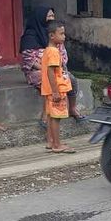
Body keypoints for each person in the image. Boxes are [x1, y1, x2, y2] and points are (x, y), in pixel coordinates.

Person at [41, 20, 74, 153]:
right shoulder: (54, 52)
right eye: (61, 34)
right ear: (51, 36)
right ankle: (57, 145)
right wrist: (55, 91)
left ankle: (51, 141)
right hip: (56, 88)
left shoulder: (48, 50)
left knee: (50, 116)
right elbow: (51, 72)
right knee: (56, 117)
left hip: (49, 88)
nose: (64, 36)